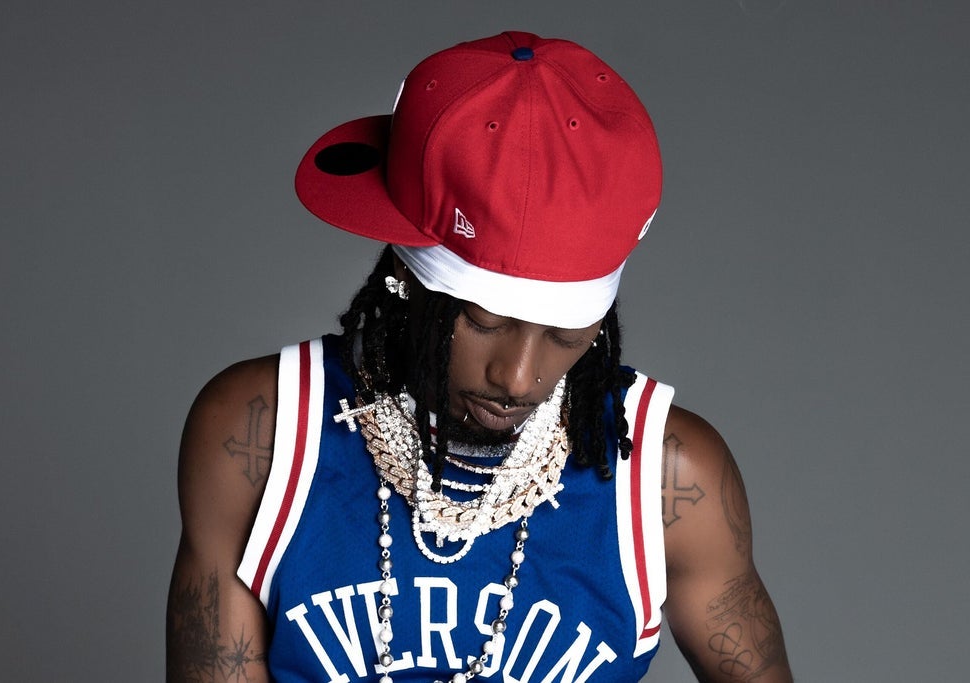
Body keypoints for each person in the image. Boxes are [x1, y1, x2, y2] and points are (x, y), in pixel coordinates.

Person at [167, 31, 793, 683]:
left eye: (565, 334)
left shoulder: (667, 478)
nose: (518, 378)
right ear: (406, 276)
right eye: (483, 322)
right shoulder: (263, 433)